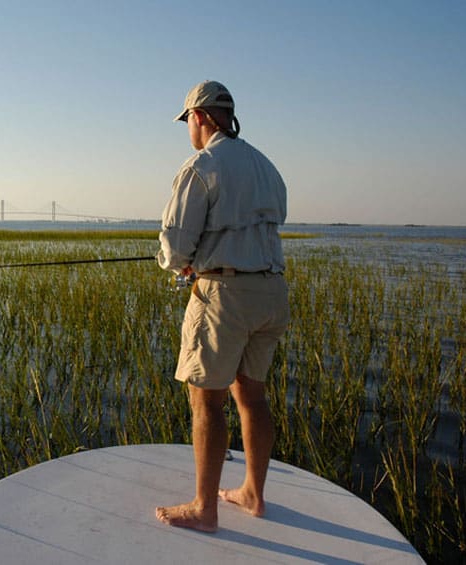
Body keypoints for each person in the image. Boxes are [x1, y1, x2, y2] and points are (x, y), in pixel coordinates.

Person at [154, 80, 290, 533]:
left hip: (223, 296)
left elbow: (174, 248)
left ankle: (204, 507)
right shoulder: (266, 166)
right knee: (252, 395)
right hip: (272, 293)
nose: (188, 129)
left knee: (205, 400)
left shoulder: (200, 167)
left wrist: (181, 265)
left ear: (202, 117)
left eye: (188, 120)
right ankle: (253, 493)